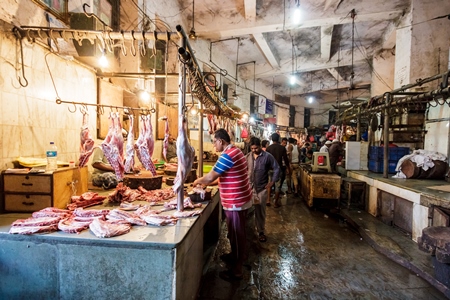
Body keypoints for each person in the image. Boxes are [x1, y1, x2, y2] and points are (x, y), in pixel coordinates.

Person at [193, 129, 252, 281]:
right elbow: (220, 178)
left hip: (236, 201)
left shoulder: (227, 155)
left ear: (221, 141)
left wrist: (197, 181)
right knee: (234, 233)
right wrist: (206, 181)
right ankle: (234, 256)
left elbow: (211, 176)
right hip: (239, 199)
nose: (213, 146)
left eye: (214, 142)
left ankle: (237, 271)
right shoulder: (235, 151)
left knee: (237, 235)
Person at [245, 137, 280, 243]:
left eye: (256, 148)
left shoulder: (267, 156)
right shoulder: (247, 157)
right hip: (249, 189)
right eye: (252, 148)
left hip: (261, 189)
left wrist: (272, 181)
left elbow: (276, 168)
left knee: (260, 212)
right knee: (248, 211)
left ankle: (261, 231)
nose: (254, 150)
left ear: (260, 146)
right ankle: (248, 232)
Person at [266, 133, 290, 208]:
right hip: (278, 169)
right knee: (278, 186)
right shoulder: (282, 148)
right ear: (279, 139)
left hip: (270, 169)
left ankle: (268, 200)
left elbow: (266, 160)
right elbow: (285, 159)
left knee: (269, 184)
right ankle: (275, 203)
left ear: (272, 139)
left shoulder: (269, 148)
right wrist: (288, 167)